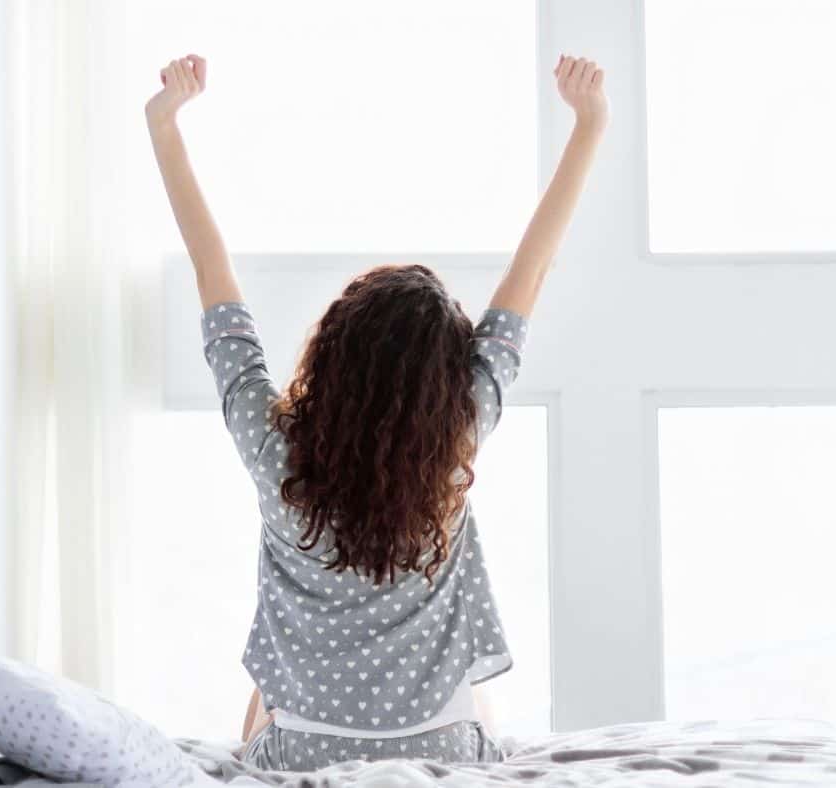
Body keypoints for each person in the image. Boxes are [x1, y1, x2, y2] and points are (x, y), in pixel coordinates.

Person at [145, 51, 608, 772]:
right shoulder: (460, 431)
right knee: (471, 704)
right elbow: (534, 268)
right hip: (445, 750)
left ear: (333, 357)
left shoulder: (274, 453)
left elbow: (212, 273)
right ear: (444, 384)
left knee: (261, 694)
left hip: (300, 751)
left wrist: (165, 127)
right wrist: (589, 125)